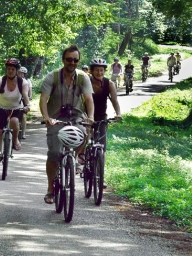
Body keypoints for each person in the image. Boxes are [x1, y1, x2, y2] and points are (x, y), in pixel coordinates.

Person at [39, 45, 94, 204]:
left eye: (75, 60)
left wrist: (90, 117)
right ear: (63, 60)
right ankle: (50, 188)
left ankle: (75, 158)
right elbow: (43, 100)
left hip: (76, 117)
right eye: (69, 59)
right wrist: (47, 117)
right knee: (54, 153)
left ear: (78, 61)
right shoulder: (53, 77)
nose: (72, 62)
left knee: (85, 132)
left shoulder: (83, 77)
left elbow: (89, 99)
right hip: (56, 118)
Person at [0, 58, 30, 166]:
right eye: (8, 69)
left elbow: (25, 95)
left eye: (12, 69)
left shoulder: (23, 82)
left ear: (16, 70)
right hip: (2, 108)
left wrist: (27, 105)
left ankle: (15, 139)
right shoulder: (0, 80)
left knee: (14, 121)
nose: (10, 71)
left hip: (17, 108)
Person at [89, 58, 122, 188]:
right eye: (96, 70)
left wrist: (118, 113)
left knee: (102, 148)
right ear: (91, 71)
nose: (99, 72)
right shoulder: (86, 82)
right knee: (84, 138)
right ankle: (80, 158)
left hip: (101, 117)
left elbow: (114, 100)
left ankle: (100, 176)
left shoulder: (109, 84)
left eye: (101, 70)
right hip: (86, 117)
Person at [18, 66, 32, 139]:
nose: (20, 75)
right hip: (16, 99)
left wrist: (30, 96)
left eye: (22, 74)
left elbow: (29, 90)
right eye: (19, 73)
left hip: (24, 99)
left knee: (23, 116)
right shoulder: (15, 80)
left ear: (24, 75)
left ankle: (23, 133)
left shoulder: (27, 81)